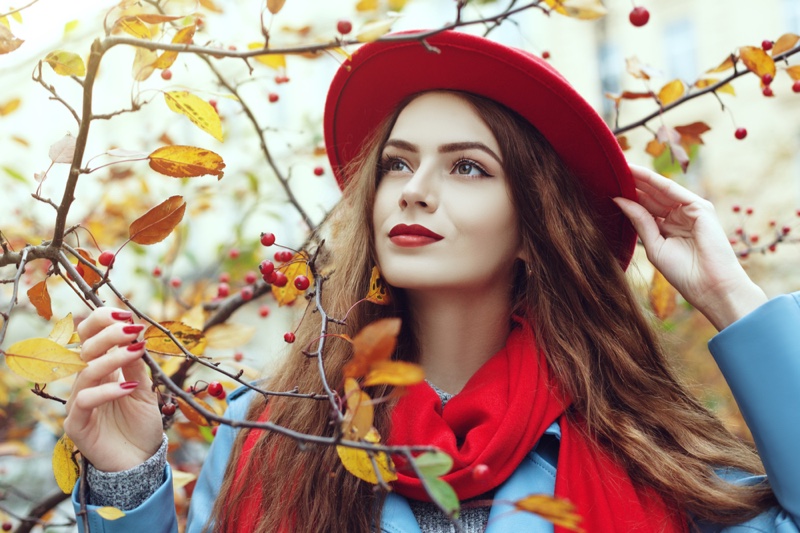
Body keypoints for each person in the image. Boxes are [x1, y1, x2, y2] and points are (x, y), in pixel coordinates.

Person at [66, 30, 800, 532]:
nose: (414, 190)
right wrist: (128, 482)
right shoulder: (274, 436)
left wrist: (732, 298)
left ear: (531, 228)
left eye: (468, 166)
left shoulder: (649, 452)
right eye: (397, 162)